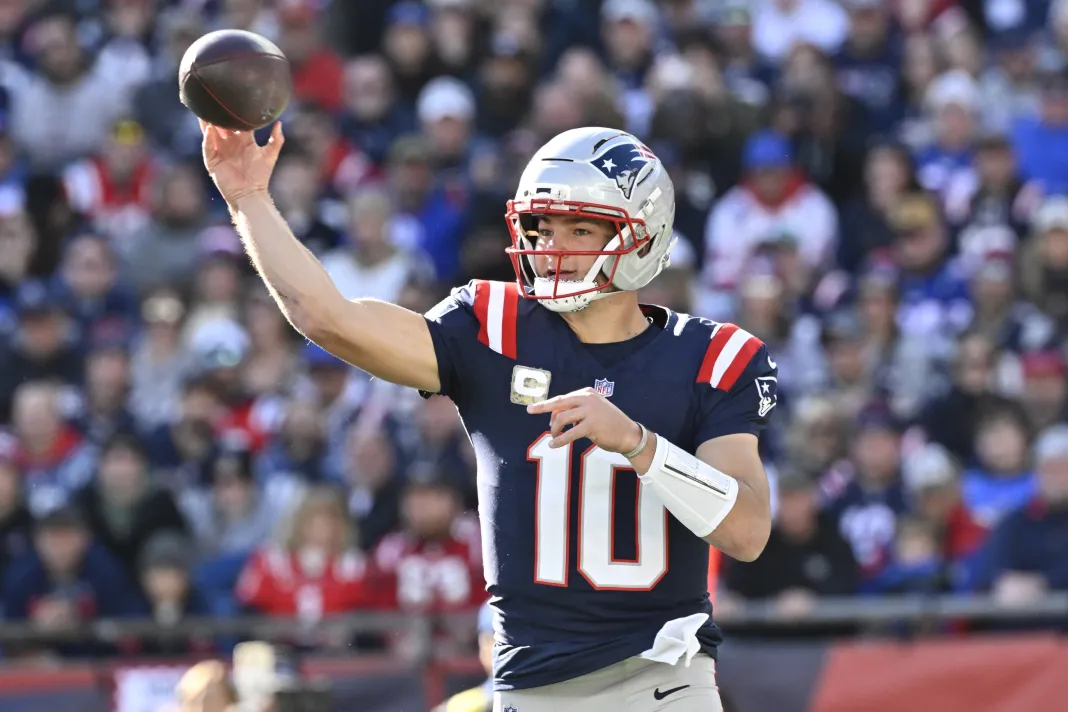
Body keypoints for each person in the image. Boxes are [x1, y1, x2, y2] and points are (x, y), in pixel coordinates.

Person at [198, 119, 777, 711]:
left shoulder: (712, 356)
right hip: (525, 688)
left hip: (662, 684)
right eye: (542, 226)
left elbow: (748, 531)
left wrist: (638, 443)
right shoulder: (492, 327)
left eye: (580, 228)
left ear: (643, 237)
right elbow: (330, 319)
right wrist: (248, 198)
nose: (554, 247)